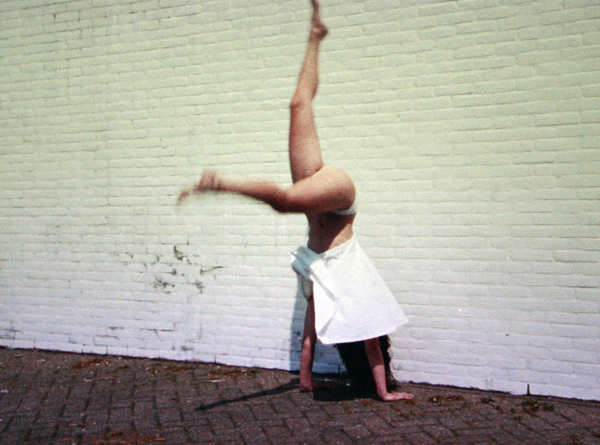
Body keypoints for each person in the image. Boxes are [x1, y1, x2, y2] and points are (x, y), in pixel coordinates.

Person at [178, 0, 412, 402]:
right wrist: (384, 393)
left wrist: (306, 379)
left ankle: (221, 183)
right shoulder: (356, 286)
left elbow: (310, 333)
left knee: (296, 119)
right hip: (337, 194)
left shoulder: (320, 280)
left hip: (319, 209)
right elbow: (373, 342)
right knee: (289, 181)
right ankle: (316, 36)